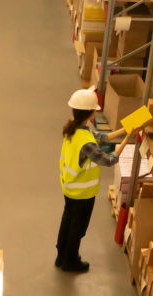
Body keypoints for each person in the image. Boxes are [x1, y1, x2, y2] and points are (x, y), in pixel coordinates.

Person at [57, 88, 139, 272]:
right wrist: (126, 139)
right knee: (77, 228)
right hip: (82, 194)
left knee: (67, 220)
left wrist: (126, 129)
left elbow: (102, 138)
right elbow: (108, 160)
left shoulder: (73, 130)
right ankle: (70, 261)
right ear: (92, 113)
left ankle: (60, 255)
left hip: (69, 188)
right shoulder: (86, 142)